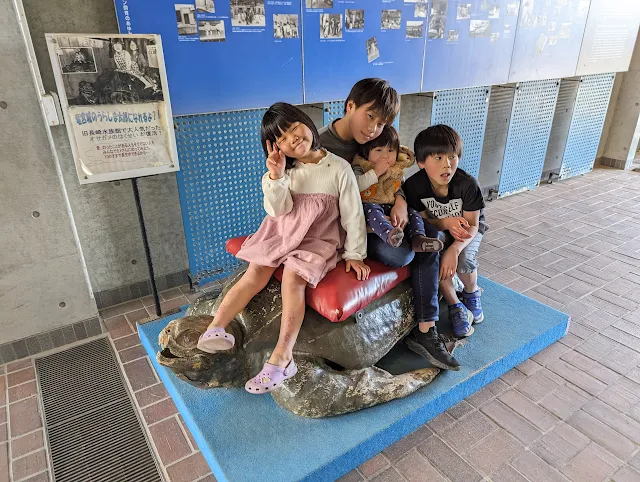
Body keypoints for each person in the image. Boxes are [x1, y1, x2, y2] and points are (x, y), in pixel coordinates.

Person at [197, 103, 370, 394]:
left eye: (293, 129)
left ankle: (282, 357)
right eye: (282, 139)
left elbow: (353, 214)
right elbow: (278, 211)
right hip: (281, 231)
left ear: (307, 123)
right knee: (256, 271)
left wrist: (355, 254)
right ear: (275, 147)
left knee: (293, 278)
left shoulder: (338, 167)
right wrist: (276, 176)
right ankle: (216, 327)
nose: (292, 139)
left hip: (318, 238)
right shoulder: (280, 172)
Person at [402, 125, 487, 370]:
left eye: (452, 157)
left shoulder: (467, 184)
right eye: (438, 158)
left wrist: (455, 249)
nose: (447, 165)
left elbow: (472, 224)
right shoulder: (415, 186)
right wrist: (446, 224)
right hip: (441, 227)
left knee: (464, 262)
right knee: (435, 258)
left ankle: (471, 292)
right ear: (420, 162)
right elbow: (422, 219)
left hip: (467, 231)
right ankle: (455, 304)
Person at [319, 78, 413, 269]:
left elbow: (393, 174)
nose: (372, 130)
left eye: (381, 124)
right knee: (397, 254)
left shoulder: (374, 141)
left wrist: (401, 201)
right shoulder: (319, 145)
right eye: (370, 116)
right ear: (350, 106)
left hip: (375, 212)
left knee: (409, 246)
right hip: (337, 224)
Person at [352, 125, 443, 253]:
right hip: (369, 205)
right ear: (367, 153)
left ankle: (418, 239)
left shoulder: (396, 170)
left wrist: (401, 202)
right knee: (372, 211)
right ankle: (390, 235)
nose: (385, 156)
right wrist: (376, 172)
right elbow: (355, 186)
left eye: (390, 151)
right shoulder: (361, 165)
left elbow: (398, 187)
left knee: (413, 213)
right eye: (379, 150)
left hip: (391, 207)